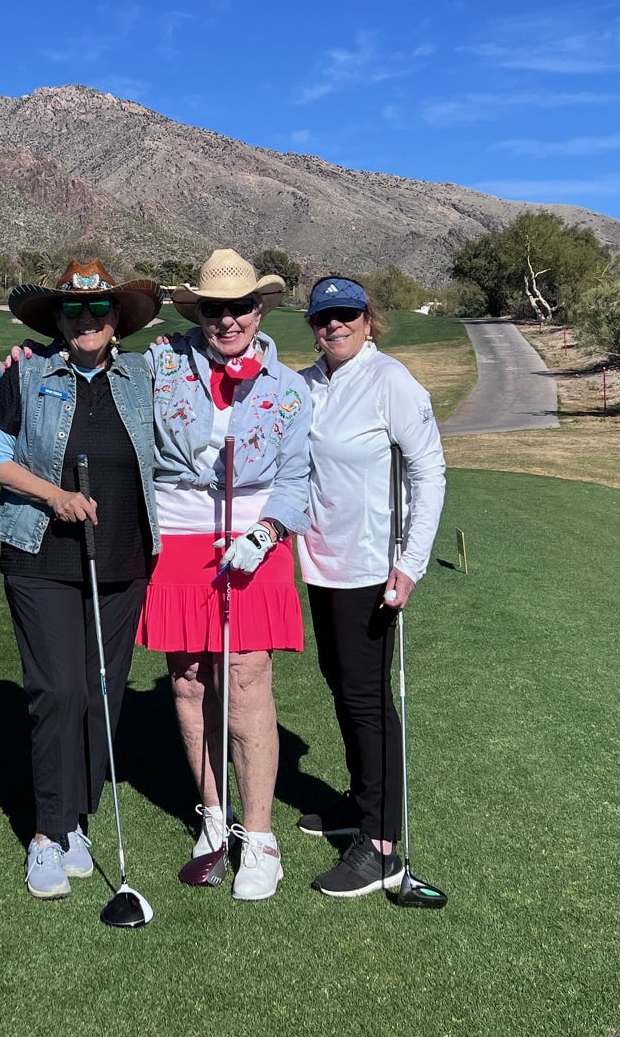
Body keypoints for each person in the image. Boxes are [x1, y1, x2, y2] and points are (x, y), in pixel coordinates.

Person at [0, 261, 164, 899]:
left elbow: (212, 361)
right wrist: (53, 495)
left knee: (101, 698)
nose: (87, 322)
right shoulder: (26, 375)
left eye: (99, 311)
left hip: (122, 560)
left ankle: (78, 819)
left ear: (118, 321)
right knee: (56, 692)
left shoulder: (146, 374)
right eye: (74, 312)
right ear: (58, 320)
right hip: (40, 558)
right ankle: (46, 834)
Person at [141, 248, 311, 901]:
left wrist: (267, 532)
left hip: (254, 542)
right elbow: (99, 376)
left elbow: (297, 481)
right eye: (214, 309)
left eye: (240, 306)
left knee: (244, 681)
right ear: (199, 313)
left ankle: (260, 838)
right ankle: (215, 816)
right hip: (179, 541)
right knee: (187, 683)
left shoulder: (288, 388)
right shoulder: (159, 367)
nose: (228, 319)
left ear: (260, 308)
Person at [293, 275, 446, 898]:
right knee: (342, 686)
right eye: (324, 317)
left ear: (367, 317)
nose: (336, 325)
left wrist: (410, 563)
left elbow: (429, 471)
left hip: (370, 570)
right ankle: (360, 802)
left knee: (365, 698)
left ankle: (381, 843)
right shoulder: (307, 383)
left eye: (347, 314)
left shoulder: (392, 382)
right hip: (319, 564)